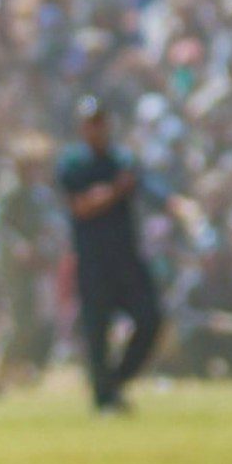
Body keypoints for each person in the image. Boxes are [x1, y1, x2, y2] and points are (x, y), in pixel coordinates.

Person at [55, 97, 163, 413]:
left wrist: (174, 203)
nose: (97, 129)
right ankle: (104, 397)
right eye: (91, 123)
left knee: (150, 318)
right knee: (97, 331)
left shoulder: (122, 159)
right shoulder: (74, 164)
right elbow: (81, 206)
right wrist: (115, 191)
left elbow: (149, 187)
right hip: (93, 261)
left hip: (127, 257)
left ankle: (116, 380)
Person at [0, 135, 60, 385]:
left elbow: (49, 226)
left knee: (38, 318)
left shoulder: (40, 194)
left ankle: (26, 367)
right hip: (15, 268)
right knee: (18, 319)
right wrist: (19, 247)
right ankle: (2, 368)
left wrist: (45, 249)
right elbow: (2, 228)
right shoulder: (10, 192)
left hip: (37, 265)